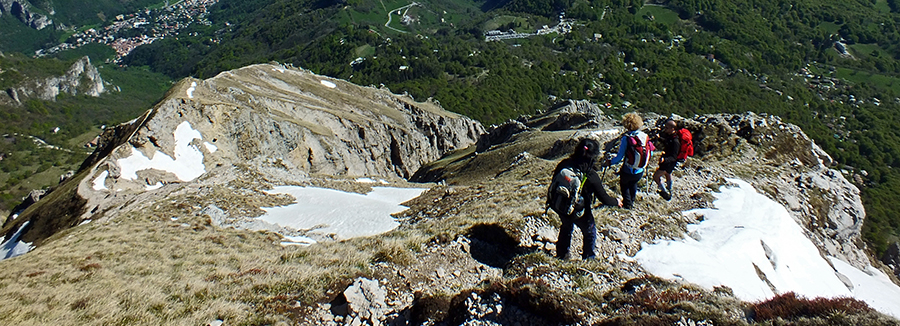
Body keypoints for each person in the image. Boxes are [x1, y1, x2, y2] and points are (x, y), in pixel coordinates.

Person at [550, 138, 622, 260]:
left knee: (566, 226)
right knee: (589, 231)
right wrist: (617, 201)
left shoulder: (564, 164)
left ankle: (562, 255)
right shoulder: (591, 175)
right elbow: (604, 198)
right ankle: (589, 257)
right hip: (581, 210)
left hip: (561, 205)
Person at [602, 113, 652, 209]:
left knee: (624, 185)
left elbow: (619, 157)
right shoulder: (645, 136)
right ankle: (631, 201)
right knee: (633, 184)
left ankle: (627, 205)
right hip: (640, 169)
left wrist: (610, 162)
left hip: (628, 169)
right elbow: (651, 152)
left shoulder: (627, 138)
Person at [652, 119, 680, 201]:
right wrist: (660, 139)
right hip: (669, 162)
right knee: (668, 174)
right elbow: (667, 144)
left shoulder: (675, 142)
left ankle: (664, 192)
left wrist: (664, 160)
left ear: (672, 128)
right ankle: (669, 189)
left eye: (667, 128)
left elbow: (674, 156)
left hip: (668, 162)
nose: (665, 129)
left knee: (656, 176)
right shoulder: (671, 137)